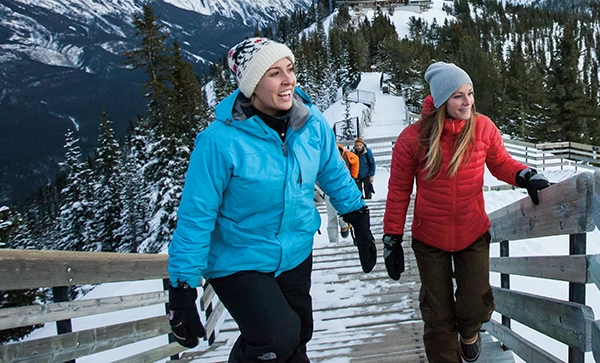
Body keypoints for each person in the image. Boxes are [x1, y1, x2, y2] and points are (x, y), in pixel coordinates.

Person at [166, 37, 378, 363]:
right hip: (239, 260)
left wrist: (358, 218)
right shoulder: (218, 142)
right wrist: (182, 288)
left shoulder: (311, 124)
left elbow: (333, 172)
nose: (288, 80)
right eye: (274, 73)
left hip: (295, 252)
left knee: (298, 335)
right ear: (252, 85)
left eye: (290, 69)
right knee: (276, 339)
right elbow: (197, 215)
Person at [382, 62, 550, 363]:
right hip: (429, 238)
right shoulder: (413, 139)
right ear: (443, 99)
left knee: (474, 306)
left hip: (472, 232)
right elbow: (398, 191)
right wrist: (391, 238)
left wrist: (524, 175)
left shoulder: (482, 127)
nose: (467, 102)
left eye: (470, 93)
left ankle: (470, 334)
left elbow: (500, 163)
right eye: (458, 96)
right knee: (438, 316)